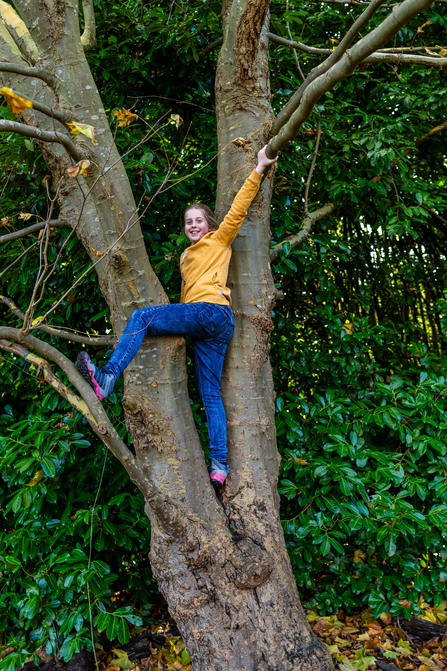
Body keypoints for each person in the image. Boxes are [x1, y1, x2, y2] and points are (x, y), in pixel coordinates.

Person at [77, 145, 278, 490]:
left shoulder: (218, 240)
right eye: (188, 221)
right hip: (212, 323)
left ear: (209, 225)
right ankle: (219, 466)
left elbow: (239, 208)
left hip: (210, 311)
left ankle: (108, 376)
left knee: (141, 317)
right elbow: (185, 300)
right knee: (210, 394)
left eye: (199, 219)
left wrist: (258, 168)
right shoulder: (186, 256)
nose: (193, 225)